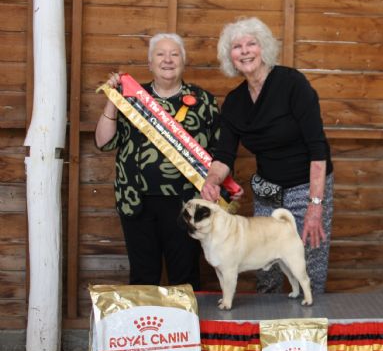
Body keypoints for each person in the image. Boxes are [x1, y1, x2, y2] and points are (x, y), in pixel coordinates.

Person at [201, 16, 334, 295]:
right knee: (265, 270)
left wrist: (315, 205)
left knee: (309, 265)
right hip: (267, 190)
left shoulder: (292, 83)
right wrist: (212, 180)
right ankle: (269, 321)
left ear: (264, 48)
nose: (245, 51)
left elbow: (317, 148)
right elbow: (224, 156)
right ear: (230, 57)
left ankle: (312, 315)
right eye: (237, 47)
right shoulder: (234, 101)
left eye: (251, 44)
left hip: (307, 186)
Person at [95, 32, 221, 291]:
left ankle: (183, 320)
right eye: (160, 54)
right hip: (136, 201)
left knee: (186, 277)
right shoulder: (131, 97)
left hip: (186, 203)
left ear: (183, 61)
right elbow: (103, 142)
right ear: (150, 63)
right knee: (142, 276)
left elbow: (220, 151)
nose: (168, 60)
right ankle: (146, 320)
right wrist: (112, 99)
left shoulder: (204, 101)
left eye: (174, 54)